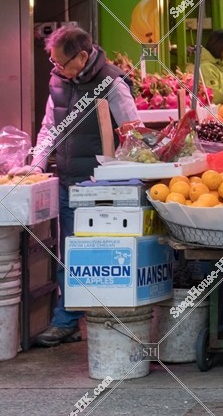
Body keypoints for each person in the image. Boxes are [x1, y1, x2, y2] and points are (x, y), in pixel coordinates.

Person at [29, 26, 138, 346]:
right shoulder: (58, 81)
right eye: (53, 63)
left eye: (61, 63)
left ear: (83, 56)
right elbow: (49, 127)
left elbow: (134, 135)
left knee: (104, 253)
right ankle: (68, 319)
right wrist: (37, 164)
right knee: (69, 251)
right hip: (67, 179)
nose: (56, 69)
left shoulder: (113, 83)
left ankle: (115, 320)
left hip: (102, 187)